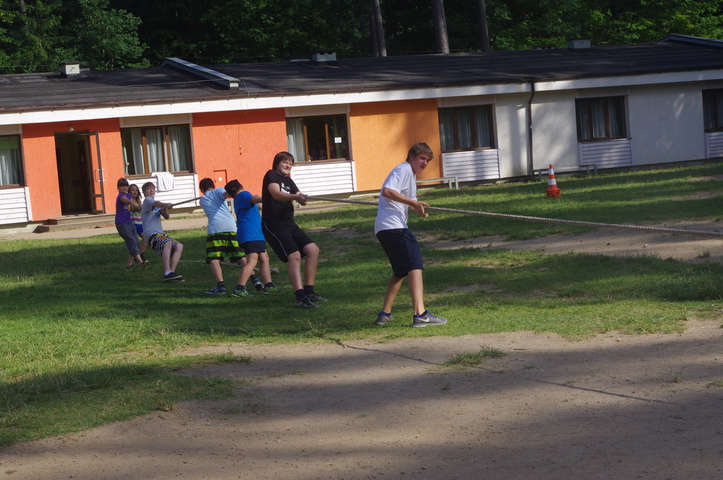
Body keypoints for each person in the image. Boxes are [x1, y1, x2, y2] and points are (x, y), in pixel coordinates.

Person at [374, 142, 447, 328]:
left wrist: (418, 208)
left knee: (400, 271)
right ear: (412, 157)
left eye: (427, 160)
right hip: (393, 227)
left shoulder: (410, 175)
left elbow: (408, 200)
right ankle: (420, 314)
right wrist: (412, 203)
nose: (425, 163)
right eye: (422, 158)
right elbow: (387, 191)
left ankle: (384, 314)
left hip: (384, 228)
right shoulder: (404, 169)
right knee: (415, 265)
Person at [261, 151, 325, 308]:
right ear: (277, 163)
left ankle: (309, 291)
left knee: (313, 250)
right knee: (294, 256)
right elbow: (276, 194)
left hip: (289, 223)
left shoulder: (289, 181)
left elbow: (300, 199)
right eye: (285, 162)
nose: (288, 165)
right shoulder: (271, 175)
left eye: (290, 163)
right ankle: (300, 297)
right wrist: (296, 197)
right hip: (274, 224)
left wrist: (302, 198)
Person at [225, 179, 277, 297]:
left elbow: (257, 205)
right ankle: (239, 288)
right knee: (252, 261)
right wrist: (268, 197)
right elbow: (255, 199)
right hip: (251, 234)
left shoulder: (238, 199)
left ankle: (268, 285)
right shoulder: (244, 194)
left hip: (253, 233)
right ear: (240, 186)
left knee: (264, 258)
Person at [198, 177, 246, 295]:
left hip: (215, 229)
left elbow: (225, 195)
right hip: (231, 227)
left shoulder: (202, 200)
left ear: (202, 189)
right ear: (212, 185)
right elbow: (226, 195)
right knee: (240, 255)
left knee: (214, 259)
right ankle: (255, 280)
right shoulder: (219, 190)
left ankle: (221, 286)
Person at [141, 182, 184, 282]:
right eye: (148, 189)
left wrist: (164, 210)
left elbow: (167, 217)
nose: (151, 190)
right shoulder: (147, 201)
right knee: (167, 243)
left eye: (153, 188)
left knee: (179, 246)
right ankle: (167, 272)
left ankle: (171, 273)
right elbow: (158, 203)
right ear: (144, 192)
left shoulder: (156, 205)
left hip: (160, 234)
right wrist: (166, 204)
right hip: (151, 234)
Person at [115, 178, 144, 269]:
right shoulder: (120, 196)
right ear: (118, 188)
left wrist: (139, 202)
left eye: (126, 186)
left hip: (129, 221)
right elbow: (127, 201)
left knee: (135, 240)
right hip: (121, 223)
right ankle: (140, 261)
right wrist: (133, 203)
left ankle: (130, 264)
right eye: (122, 186)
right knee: (131, 240)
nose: (124, 188)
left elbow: (137, 206)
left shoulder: (128, 195)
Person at [128, 183, 149, 265]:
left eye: (136, 190)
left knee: (145, 238)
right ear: (129, 192)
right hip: (133, 224)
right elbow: (135, 208)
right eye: (132, 190)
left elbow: (141, 210)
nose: (135, 192)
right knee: (135, 243)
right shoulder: (129, 200)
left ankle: (139, 255)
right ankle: (136, 259)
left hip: (140, 224)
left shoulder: (138, 200)